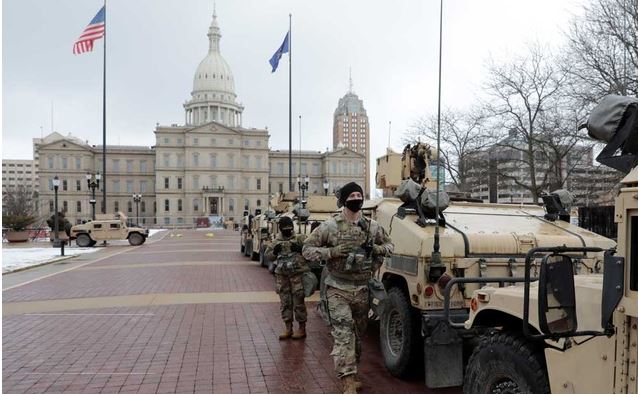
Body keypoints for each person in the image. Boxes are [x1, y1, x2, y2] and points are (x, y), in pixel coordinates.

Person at [303, 182, 393, 394]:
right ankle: (348, 382)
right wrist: (331, 253)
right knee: (343, 335)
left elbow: (390, 247)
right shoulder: (330, 226)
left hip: (362, 290)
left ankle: (353, 372)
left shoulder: (372, 227)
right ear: (344, 200)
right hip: (337, 289)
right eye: (351, 195)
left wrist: (376, 248)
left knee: (357, 335)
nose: (356, 198)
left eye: (358, 195)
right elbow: (307, 249)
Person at [266, 216, 309, 340]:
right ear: (280, 228)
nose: (287, 230)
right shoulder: (275, 242)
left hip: (297, 276)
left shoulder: (300, 239)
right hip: (282, 278)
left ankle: (301, 329)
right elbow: (268, 256)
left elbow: (312, 251)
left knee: (298, 303)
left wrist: (301, 249)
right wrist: (274, 252)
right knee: (285, 303)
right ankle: (288, 328)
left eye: (289, 228)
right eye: (285, 228)